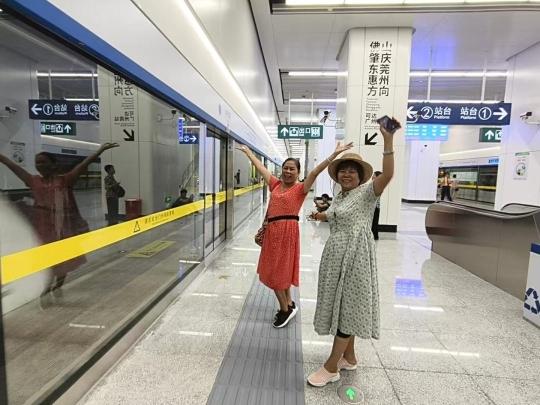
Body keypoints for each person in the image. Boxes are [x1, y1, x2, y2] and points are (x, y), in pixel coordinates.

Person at [306, 119, 400, 387]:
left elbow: (388, 174)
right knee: (343, 304)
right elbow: (336, 215)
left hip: (355, 257)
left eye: (352, 171)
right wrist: (320, 216)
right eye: (343, 171)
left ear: (361, 176)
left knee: (347, 309)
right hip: (336, 256)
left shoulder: (368, 192)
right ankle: (349, 357)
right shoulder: (340, 196)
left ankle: (331, 367)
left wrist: (388, 141)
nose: (346, 175)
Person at [237, 141, 353, 328]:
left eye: (292, 169)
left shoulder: (300, 189)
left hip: (287, 233)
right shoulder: (275, 184)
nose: (288, 171)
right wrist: (249, 154)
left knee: (277, 273)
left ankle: (285, 310)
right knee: (278, 270)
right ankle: (289, 303)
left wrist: (334, 155)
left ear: (298, 172)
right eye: (286, 168)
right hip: (272, 232)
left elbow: (315, 172)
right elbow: (261, 169)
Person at [0, 142, 119, 300]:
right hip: (43, 228)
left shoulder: (65, 180)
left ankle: (57, 284)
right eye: (37, 162)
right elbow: (12, 166)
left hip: (63, 227)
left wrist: (100, 150)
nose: (40, 165)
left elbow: (84, 164)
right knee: (46, 259)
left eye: (43, 162)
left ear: (53, 164)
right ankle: (48, 286)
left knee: (62, 259)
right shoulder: (33, 181)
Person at [371, 171, 382, 240]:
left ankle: (374, 236)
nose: (372, 176)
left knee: (374, 222)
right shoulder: (375, 185)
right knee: (374, 222)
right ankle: (374, 235)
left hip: (375, 207)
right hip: (375, 207)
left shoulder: (376, 185)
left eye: (374, 175)